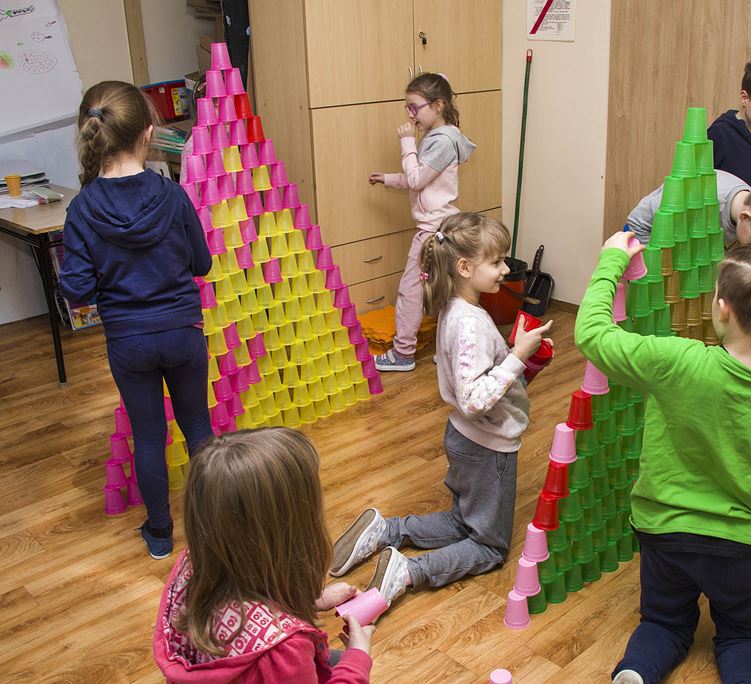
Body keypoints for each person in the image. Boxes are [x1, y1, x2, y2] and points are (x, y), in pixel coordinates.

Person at [576, 233, 751, 684]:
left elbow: (592, 334)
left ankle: (636, 672)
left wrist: (611, 260)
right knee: (744, 636)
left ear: (722, 308)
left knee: (663, 624)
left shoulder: (678, 360)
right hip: (748, 548)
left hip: (667, 534)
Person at [330, 213, 551, 605]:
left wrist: (515, 360)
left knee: (461, 521)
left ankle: (387, 531)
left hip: (466, 438)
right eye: (496, 261)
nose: (505, 269)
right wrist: (517, 356)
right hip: (488, 445)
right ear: (464, 267)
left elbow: (476, 378)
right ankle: (409, 572)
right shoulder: (471, 324)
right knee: (489, 546)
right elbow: (474, 399)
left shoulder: (457, 309)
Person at [60, 81, 214, 559]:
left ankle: (161, 535)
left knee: (149, 435)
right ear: (148, 134)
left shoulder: (82, 208)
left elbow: (78, 291)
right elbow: (201, 263)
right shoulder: (172, 195)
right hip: (182, 332)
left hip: (129, 342)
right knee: (198, 428)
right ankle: (216, 531)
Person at [153, 428, 375, 683]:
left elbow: (245, 587)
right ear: (293, 531)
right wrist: (357, 657)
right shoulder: (283, 652)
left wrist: (312, 600)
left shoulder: (193, 563)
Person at [369, 73, 476, 372]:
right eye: (407, 107)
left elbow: (416, 179)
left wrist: (406, 142)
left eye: (414, 107)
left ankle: (403, 353)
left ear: (438, 106)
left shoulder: (441, 142)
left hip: (432, 231)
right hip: (441, 225)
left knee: (411, 292)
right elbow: (419, 179)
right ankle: (449, 352)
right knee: (445, 294)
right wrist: (388, 179)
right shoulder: (438, 137)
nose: (410, 114)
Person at [625, 170, 751, 253]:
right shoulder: (698, 195)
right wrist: (659, 267)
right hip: (646, 241)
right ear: (745, 217)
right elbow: (636, 222)